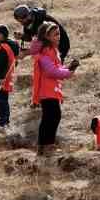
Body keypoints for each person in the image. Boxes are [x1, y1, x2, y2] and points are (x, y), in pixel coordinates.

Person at [30, 22, 79, 154]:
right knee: (51, 117)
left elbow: (57, 68)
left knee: (51, 117)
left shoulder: (51, 52)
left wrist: (69, 67)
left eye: (59, 34)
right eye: (55, 34)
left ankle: (44, 146)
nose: (58, 37)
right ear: (46, 37)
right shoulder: (45, 54)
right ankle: (46, 146)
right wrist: (69, 73)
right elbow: (52, 72)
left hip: (51, 90)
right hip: (47, 91)